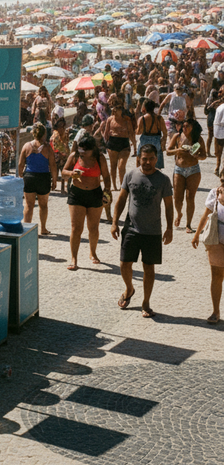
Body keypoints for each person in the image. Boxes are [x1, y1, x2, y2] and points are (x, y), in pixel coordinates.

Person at [111, 144, 173, 318]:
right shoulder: (131, 175)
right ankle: (129, 288)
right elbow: (121, 199)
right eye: (144, 158)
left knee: (148, 267)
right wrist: (115, 222)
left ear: (156, 158)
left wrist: (169, 228)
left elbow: (169, 205)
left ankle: (146, 302)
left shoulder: (163, 180)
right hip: (131, 227)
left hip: (152, 231)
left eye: (151, 158)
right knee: (124, 263)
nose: (147, 162)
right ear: (138, 157)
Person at [62, 135, 111, 270]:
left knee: (93, 227)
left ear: (92, 149)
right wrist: (72, 173)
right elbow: (63, 172)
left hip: (95, 194)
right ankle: (74, 258)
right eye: (80, 150)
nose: (82, 153)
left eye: (85, 150)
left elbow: (106, 176)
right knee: (76, 228)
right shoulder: (74, 156)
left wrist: (107, 192)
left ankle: (93, 252)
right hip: (77, 194)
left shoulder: (99, 158)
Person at [192, 172, 224, 324]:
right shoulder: (214, 193)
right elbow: (205, 215)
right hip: (216, 240)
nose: (223, 184)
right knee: (216, 276)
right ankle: (215, 311)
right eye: (222, 180)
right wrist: (196, 234)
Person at [167, 119, 205, 234]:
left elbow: (204, 155)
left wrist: (197, 156)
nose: (184, 128)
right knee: (177, 197)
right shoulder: (177, 136)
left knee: (190, 197)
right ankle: (179, 213)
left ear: (193, 127)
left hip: (193, 170)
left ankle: (188, 224)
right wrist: (178, 150)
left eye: (187, 126)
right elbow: (168, 151)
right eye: (183, 125)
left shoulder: (198, 139)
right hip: (179, 169)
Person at [18, 123, 57, 235]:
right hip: (43, 177)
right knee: (43, 205)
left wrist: (21, 176)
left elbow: (21, 164)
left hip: (29, 177)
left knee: (29, 205)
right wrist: (54, 180)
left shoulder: (26, 146)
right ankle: (43, 229)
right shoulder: (48, 148)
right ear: (44, 134)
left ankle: (26, 230)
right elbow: (53, 165)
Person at [101, 95, 136, 191]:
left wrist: (135, 147)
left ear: (121, 110)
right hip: (112, 143)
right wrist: (104, 145)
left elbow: (131, 133)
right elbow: (106, 133)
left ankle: (122, 185)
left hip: (124, 143)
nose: (115, 111)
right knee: (113, 166)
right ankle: (114, 186)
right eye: (114, 109)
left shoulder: (126, 120)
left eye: (117, 109)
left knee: (121, 166)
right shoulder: (110, 119)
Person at [136, 99, 167, 170]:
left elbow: (138, 132)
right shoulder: (159, 118)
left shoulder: (143, 118)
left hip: (145, 140)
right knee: (157, 166)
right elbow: (165, 132)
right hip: (156, 140)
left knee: (140, 162)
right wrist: (163, 142)